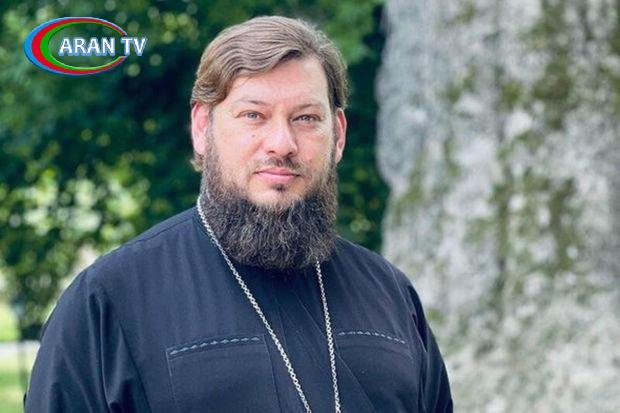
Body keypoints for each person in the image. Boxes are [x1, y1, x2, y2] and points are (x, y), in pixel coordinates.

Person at [25, 15, 452, 412]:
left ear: (337, 135)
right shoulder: (108, 299)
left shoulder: (391, 295)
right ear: (202, 128)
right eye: (253, 115)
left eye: (306, 118)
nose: (282, 143)